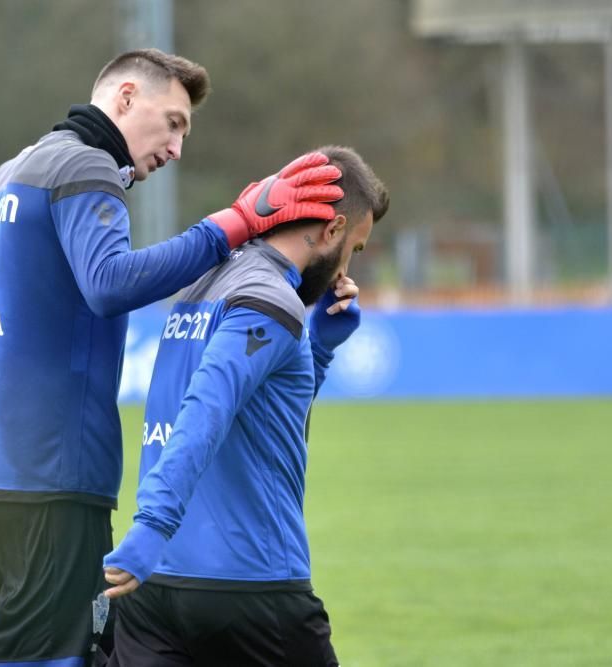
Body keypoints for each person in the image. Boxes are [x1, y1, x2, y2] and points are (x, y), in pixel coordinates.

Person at [0, 48, 345, 667]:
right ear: (127, 97)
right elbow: (108, 284)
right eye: (174, 122)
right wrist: (232, 225)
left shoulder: (3, 181)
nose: (177, 147)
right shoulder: (86, 168)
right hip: (57, 486)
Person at [101, 145, 389, 666]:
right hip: (251, 586)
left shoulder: (201, 284)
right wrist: (153, 524)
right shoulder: (270, 300)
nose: (348, 268)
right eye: (355, 248)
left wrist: (317, 350)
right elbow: (205, 411)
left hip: (156, 591)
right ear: (331, 229)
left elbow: (263, 424)